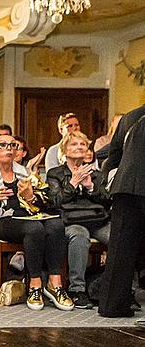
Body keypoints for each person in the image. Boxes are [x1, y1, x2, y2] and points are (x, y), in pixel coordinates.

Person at [0, 132, 73, 311]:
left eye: (12, 145)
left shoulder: (23, 172)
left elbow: (42, 203)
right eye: (2, 145)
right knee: (34, 229)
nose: (8, 149)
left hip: (26, 216)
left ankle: (55, 283)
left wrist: (31, 197)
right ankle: (34, 285)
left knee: (56, 224)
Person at [46, 130, 111, 309]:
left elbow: (107, 200)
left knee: (119, 237)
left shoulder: (97, 174)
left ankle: (116, 288)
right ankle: (77, 290)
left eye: (83, 144)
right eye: (74, 144)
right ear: (64, 150)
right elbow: (54, 201)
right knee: (79, 236)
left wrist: (90, 186)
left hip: (97, 220)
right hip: (71, 222)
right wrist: (73, 183)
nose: (79, 147)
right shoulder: (55, 174)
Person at [98, 103, 145, 317]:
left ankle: (111, 306)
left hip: (124, 189)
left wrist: (110, 181)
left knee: (119, 249)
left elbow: (111, 155)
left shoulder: (129, 117)